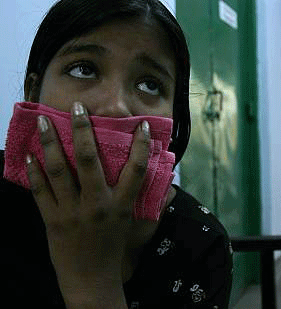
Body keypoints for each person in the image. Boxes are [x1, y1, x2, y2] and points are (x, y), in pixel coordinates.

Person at [1, 0, 233, 308]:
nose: (116, 106)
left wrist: (94, 282)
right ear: (33, 92)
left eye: (149, 84)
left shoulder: (202, 244)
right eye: (84, 69)